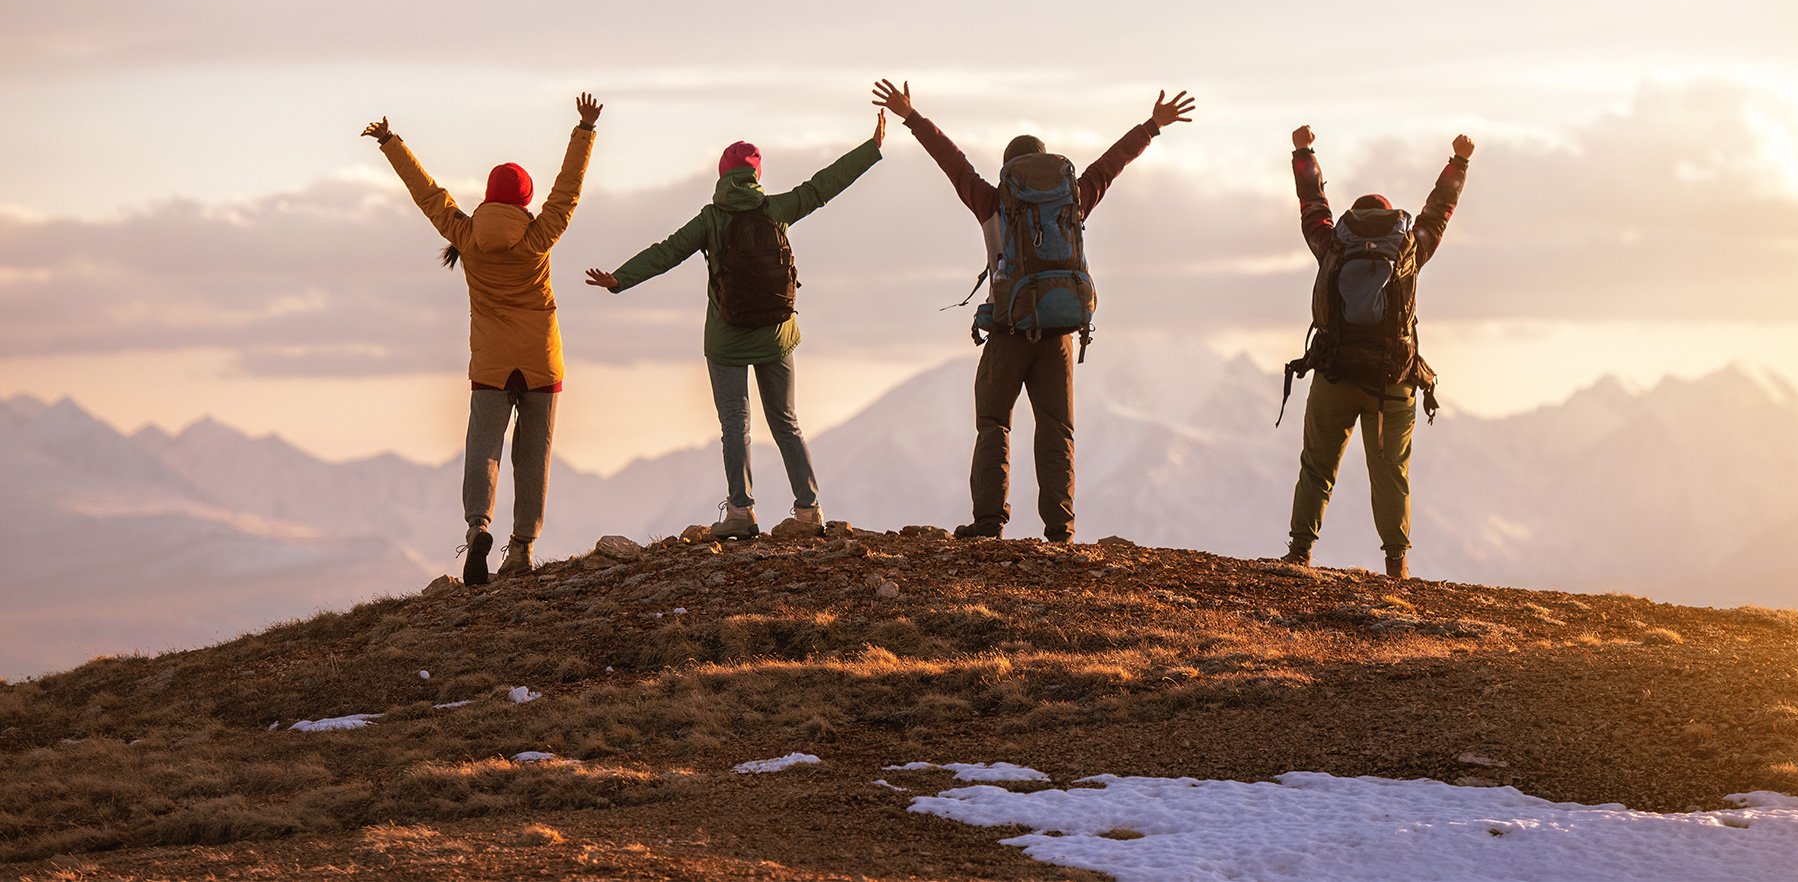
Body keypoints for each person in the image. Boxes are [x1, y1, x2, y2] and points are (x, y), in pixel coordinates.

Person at [871, 78, 1196, 543]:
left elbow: (951, 161)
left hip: (1008, 330)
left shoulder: (992, 201)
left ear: (1009, 172)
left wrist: (911, 115)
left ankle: (987, 524)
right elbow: (1109, 166)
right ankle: (1060, 529)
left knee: (993, 424)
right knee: (1057, 428)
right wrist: (1152, 126)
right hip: (1059, 331)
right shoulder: (1073, 201)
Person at [586, 110, 885, 540]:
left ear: (723, 176)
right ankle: (808, 511)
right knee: (786, 421)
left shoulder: (711, 218)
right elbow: (823, 187)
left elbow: (667, 251)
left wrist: (620, 279)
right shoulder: (776, 208)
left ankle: (741, 512)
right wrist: (871, 148)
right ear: (756, 175)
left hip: (726, 339)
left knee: (735, 425)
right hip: (776, 336)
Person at [362, 93, 600, 585]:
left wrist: (390, 142)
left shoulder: (465, 234)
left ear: (490, 196)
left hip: (491, 363)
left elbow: (427, 194)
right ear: (524, 200)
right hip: (540, 360)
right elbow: (568, 190)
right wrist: (584, 130)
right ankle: (522, 547)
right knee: (532, 455)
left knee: (483, 448)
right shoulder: (539, 236)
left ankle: (477, 529)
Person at [1280, 123, 1472, 580]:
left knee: (1317, 466)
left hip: (1336, 374)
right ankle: (1395, 563)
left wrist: (1304, 151)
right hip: (1392, 382)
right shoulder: (1409, 247)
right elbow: (1438, 211)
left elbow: (1312, 204)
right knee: (1390, 474)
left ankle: (1301, 551)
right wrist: (1459, 162)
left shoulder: (1331, 243)